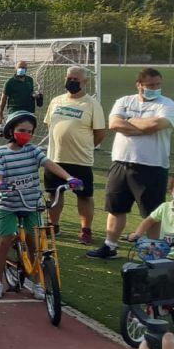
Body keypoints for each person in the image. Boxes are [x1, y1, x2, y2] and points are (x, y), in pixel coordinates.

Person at [0, 111, 81, 299]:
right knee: (5, 239)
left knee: (35, 243)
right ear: (11, 130)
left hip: (32, 204)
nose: (26, 135)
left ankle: (38, 283)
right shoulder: (2, 154)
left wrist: (69, 178)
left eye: (29, 132)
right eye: (22, 130)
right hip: (9, 204)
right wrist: (0, 185)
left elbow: (50, 164)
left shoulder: (33, 151)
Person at [88, 68, 174, 259]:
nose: (155, 88)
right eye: (151, 85)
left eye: (158, 84)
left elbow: (157, 125)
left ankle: (154, 252)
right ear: (139, 85)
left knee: (152, 213)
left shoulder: (167, 104)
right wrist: (141, 127)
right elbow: (113, 124)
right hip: (121, 163)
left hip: (152, 166)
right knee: (115, 207)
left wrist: (128, 123)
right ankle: (110, 246)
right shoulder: (124, 101)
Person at [42, 66, 106, 244]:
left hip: (80, 160)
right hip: (55, 158)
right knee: (54, 194)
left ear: (84, 82)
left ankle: (86, 230)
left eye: (76, 80)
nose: (71, 82)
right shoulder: (56, 101)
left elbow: (100, 132)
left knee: (84, 196)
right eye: (69, 78)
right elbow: (50, 125)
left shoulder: (92, 104)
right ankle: (53, 225)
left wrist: (86, 146)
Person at [127, 175, 174, 258]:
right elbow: (149, 221)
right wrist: (137, 234)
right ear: (171, 191)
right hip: (163, 253)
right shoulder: (164, 207)